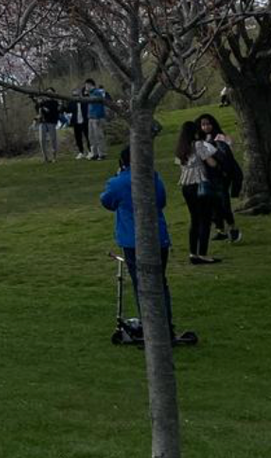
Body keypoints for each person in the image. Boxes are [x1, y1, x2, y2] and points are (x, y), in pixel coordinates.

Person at [100, 147, 175, 336]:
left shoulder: (118, 182)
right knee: (159, 281)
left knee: (140, 283)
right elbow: (162, 201)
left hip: (133, 241)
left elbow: (107, 201)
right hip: (159, 237)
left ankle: (151, 325)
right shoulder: (154, 179)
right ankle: (165, 323)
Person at [175, 121, 220, 265]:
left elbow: (180, 165)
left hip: (186, 186)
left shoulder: (180, 148)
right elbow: (211, 162)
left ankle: (193, 253)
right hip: (200, 184)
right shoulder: (198, 144)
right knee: (205, 220)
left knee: (194, 219)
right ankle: (203, 254)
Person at [196, 113, 243, 243]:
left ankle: (233, 228)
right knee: (213, 204)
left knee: (223, 202)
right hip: (208, 175)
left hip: (221, 174)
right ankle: (220, 230)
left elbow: (228, 155)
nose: (206, 127)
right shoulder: (200, 140)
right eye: (203, 125)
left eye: (208, 124)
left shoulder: (219, 137)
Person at [34, 89, 61, 163]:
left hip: (51, 122)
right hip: (42, 123)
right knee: (42, 140)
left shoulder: (54, 103)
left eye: (50, 92)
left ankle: (54, 157)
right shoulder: (42, 102)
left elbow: (50, 111)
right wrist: (38, 103)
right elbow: (37, 110)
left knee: (53, 140)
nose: (48, 94)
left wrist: (42, 106)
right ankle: (45, 157)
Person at [66, 87, 91, 159]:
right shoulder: (72, 102)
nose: (76, 94)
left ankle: (89, 151)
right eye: (74, 93)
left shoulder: (84, 100)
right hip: (76, 121)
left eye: (77, 92)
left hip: (84, 121)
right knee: (78, 138)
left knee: (87, 136)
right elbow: (68, 110)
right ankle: (81, 152)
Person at [86, 79, 108, 160]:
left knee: (99, 136)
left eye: (87, 85)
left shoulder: (97, 93)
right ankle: (94, 153)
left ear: (91, 85)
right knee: (91, 137)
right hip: (90, 117)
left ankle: (102, 153)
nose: (86, 87)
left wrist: (99, 117)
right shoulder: (90, 94)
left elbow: (100, 105)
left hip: (97, 117)